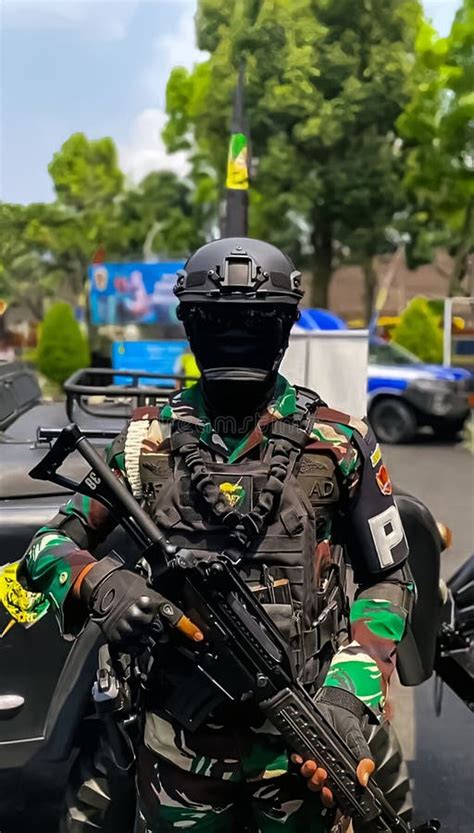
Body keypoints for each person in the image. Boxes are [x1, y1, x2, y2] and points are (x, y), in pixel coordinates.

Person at [19, 238, 413, 833]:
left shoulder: (339, 443)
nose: (236, 334)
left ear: (284, 325)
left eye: (254, 320)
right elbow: (44, 550)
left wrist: (347, 694)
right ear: (190, 323)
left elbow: (390, 580)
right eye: (219, 319)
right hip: (179, 749)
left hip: (303, 739)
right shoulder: (143, 442)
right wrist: (102, 585)